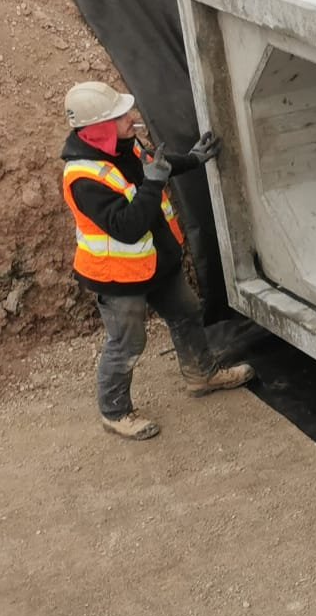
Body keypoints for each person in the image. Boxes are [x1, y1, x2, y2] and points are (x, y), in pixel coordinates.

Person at [60, 81, 254, 441]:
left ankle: (201, 374)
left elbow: (155, 165)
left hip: (155, 263)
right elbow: (127, 228)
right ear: (100, 128)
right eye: (122, 116)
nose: (133, 118)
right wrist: (152, 185)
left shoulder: (122, 144)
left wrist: (193, 158)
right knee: (127, 344)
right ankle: (115, 411)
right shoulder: (84, 178)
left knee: (186, 312)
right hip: (118, 279)